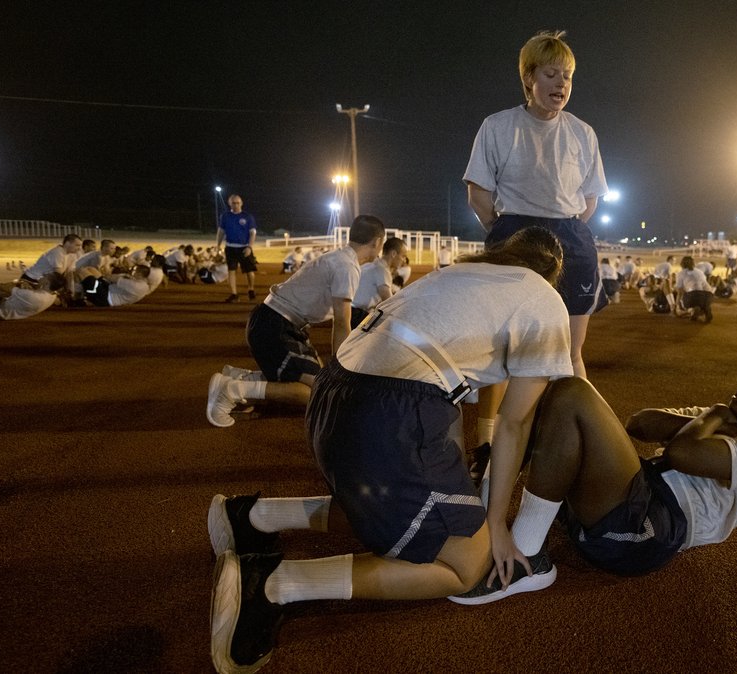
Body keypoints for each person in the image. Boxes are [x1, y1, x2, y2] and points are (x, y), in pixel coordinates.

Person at [207, 227, 573, 673]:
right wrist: (496, 521)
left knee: (392, 508)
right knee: (467, 562)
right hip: (389, 413)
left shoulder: (458, 273)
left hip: (332, 394)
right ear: (552, 272)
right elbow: (515, 422)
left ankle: (253, 517)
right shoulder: (545, 299)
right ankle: (273, 585)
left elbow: (464, 392)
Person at [448, 368, 737, 604]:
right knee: (555, 391)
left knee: (573, 393)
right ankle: (485, 504)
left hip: (652, 527)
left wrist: (715, 414)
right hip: (636, 493)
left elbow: (684, 453)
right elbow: (639, 424)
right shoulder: (720, 422)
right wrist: (710, 420)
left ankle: (527, 557)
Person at [463, 29, 607, 379]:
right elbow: (479, 194)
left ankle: (572, 428)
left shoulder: (583, 132)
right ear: (529, 78)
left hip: (570, 236)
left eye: (568, 76)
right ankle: (494, 431)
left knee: (571, 352)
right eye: (551, 74)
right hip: (515, 233)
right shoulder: (498, 126)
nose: (561, 84)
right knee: (504, 347)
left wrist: (568, 227)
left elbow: (590, 199)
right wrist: (503, 231)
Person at [205, 215, 386, 428]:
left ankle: (241, 379)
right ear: (377, 242)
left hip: (274, 322)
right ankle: (232, 390)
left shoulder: (339, 258)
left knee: (313, 382)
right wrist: (341, 367)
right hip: (277, 326)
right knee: (319, 393)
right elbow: (341, 322)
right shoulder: (347, 267)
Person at [350, 237, 408, 327]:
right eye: (403, 256)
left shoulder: (371, 265)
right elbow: (389, 301)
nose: (404, 260)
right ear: (393, 254)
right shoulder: (382, 270)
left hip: (350, 311)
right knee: (385, 328)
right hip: (357, 315)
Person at [216, 193, 258, 303]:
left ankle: (251, 289)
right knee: (231, 271)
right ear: (229, 203)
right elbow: (221, 232)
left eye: (238, 203)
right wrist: (218, 245)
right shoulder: (225, 216)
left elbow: (253, 233)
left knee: (249, 271)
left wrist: (249, 247)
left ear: (242, 203)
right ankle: (234, 294)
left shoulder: (248, 217)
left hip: (244, 248)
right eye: (233, 203)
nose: (236, 205)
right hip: (230, 247)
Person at [79, 258, 166, 307]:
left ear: (139, 274)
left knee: (81, 271)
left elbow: (110, 278)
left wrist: (124, 276)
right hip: (109, 289)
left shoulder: (136, 285)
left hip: (106, 298)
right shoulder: (141, 282)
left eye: (134, 270)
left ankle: (80, 298)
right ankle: (84, 294)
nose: (132, 271)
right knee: (91, 269)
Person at [0, 272, 66, 320]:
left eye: (46, 276)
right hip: (6, 308)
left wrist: (19, 283)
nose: (43, 276)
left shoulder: (32, 296)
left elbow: (6, 287)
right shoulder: (52, 296)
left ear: (47, 283)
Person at [673, 255, 714, 322]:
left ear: (682, 264)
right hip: (708, 296)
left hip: (693, 296)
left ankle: (692, 310)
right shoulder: (700, 272)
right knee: (702, 303)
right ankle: (705, 308)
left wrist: (676, 306)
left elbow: (680, 292)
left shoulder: (681, 273)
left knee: (684, 305)